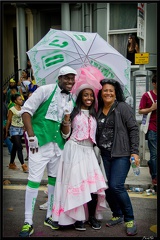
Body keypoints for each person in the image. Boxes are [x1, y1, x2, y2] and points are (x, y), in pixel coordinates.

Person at [19, 66, 77, 237]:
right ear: (59, 78)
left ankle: (50, 215)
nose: (70, 82)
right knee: (34, 181)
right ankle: (27, 221)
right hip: (39, 143)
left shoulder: (71, 100)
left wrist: (67, 120)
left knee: (53, 181)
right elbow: (26, 111)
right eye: (67, 78)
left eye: (72, 79)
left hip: (57, 146)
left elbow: (65, 133)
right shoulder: (44, 90)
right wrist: (31, 135)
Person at [51, 67, 107, 231]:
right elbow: (65, 134)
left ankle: (90, 217)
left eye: (91, 95)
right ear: (80, 97)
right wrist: (67, 117)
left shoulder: (94, 114)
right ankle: (77, 219)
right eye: (85, 95)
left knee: (92, 187)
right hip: (74, 150)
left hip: (89, 152)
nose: (89, 98)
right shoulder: (73, 111)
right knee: (76, 186)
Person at [96, 79, 140, 236]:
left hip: (121, 153)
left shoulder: (122, 107)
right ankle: (117, 214)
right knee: (107, 187)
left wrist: (135, 152)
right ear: (100, 94)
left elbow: (134, 129)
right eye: (105, 90)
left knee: (116, 186)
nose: (108, 93)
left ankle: (130, 219)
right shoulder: (99, 109)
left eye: (111, 91)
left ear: (116, 93)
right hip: (105, 155)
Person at [139, 74, 157, 186]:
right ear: (154, 83)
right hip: (152, 129)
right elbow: (140, 110)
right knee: (154, 154)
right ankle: (155, 176)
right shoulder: (147, 95)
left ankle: (151, 165)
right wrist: (151, 108)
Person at [5, 93, 28, 173]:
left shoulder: (23, 108)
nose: (21, 101)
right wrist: (6, 131)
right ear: (15, 101)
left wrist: (25, 126)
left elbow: (24, 118)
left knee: (15, 147)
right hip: (13, 129)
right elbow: (8, 120)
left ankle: (11, 163)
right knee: (19, 148)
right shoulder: (12, 109)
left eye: (21, 99)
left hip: (20, 129)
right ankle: (23, 165)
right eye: (19, 99)